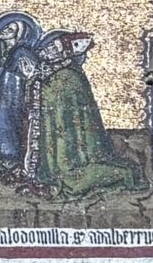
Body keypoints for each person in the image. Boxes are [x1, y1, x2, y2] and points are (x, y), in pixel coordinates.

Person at [21, 32, 143, 198]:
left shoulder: (69, 75)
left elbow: (59, 101)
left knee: (69, 170)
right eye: (47, 47)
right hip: (54, 135)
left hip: (71, 145)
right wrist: (32, 79)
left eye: (52, 48)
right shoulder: (49, 72)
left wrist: (34, 80)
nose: (48, 51)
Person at [0, 12, 42, 173]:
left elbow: (24, 74)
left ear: (20, 33)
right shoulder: (3, 52)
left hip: (14, 96)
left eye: (10, 28)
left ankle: (10, 157)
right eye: (4, 27)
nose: (5, 30)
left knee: (6, 122)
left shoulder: (22, 52)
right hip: (0, 95)